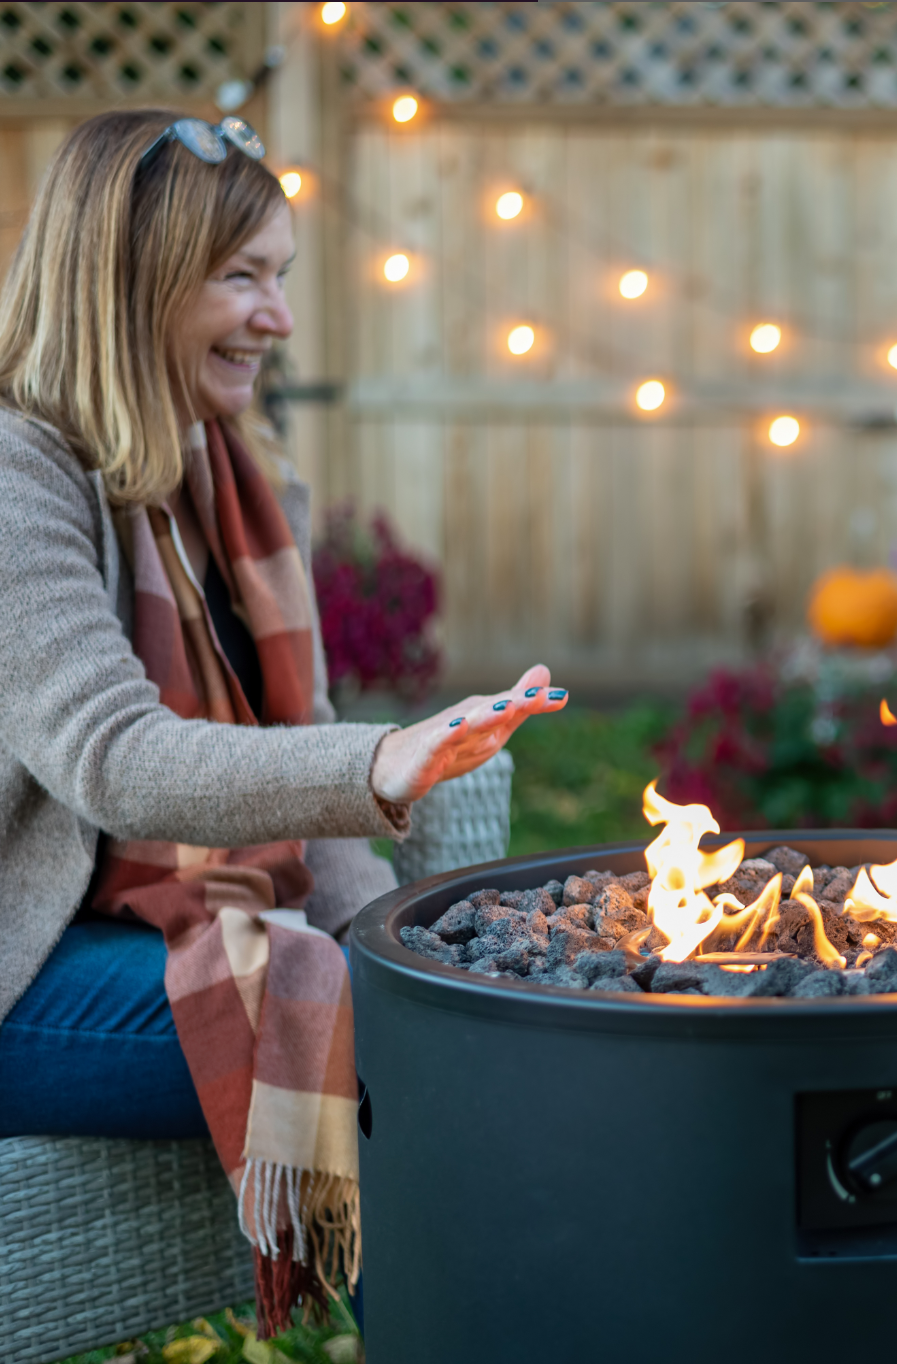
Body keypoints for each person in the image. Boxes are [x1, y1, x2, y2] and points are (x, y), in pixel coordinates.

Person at [0, 109, 566, 1330]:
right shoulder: (16, 478)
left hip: (161, 925)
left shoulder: (243, 479)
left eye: (282, 276)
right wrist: (379, 760)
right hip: (19, 966)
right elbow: (115, 757)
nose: (280, 318)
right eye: (242, 277)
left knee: (443, 995)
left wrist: (414, 936)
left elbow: (300, 758)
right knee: (395, 1039)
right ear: (133, 282)